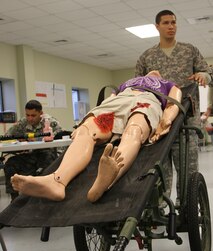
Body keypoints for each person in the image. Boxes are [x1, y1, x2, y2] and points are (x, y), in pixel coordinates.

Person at [11, 71, 182, 203]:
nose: (153, 72)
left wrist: (167, 119)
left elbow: (174, 103)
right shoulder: (125, 84)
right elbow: (108, 100)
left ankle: (106, 181)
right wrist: (87, 120)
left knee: (134, 130)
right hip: (118, 102)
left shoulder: (168, 84)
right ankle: (57, 181)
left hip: (146, 101)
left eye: (156, 71)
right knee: (86, 131)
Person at [135, 9, 213, 204]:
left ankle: (186, 208)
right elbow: (137, 87)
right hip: (158, 124)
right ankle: (161, 209)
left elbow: (207, 74)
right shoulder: (147, 57)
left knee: (188, 170)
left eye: (174, 22)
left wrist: (204, 76)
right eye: (166, 23)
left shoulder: (189, 50)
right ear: (157, 27)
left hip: (186, 122)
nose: (171, 26)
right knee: (159, 171)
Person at [3, 99, 63, 201]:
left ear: (41, 113)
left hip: (48, 155)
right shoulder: (23, 122)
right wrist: (18, 138)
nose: (30, 118)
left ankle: (44, 196)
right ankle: (15, 199)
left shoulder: (50, 122)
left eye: (33, 115)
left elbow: (61, 140)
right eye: (27, 115)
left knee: (45, 161)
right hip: (30, 156)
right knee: (10, 163)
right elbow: (7, 137)